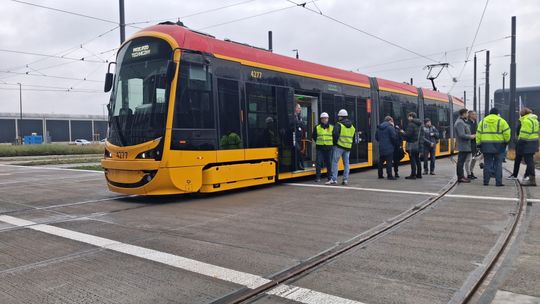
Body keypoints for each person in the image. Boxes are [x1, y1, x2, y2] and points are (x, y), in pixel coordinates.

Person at [476, 108, 511, 186]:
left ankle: (486, 181)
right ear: (497, 113)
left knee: (487, 163)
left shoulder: (482, 121)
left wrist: (478, 144)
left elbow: (478, 134)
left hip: (486, 146)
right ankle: (498, 182)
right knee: (498, 164)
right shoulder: (502, 121)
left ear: (489, 113)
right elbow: (507, 134)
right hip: (499, 146)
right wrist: (506, 141)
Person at [508, 107, 539, 186]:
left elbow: (525, 133)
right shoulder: (535, 120)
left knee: (529, 161)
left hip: (527, 143)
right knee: (530, 160)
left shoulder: (526, 121)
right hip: (534, 142)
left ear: (522, 114)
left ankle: (532, 179)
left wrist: (519, 142)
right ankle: (529, 177)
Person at [326, 109, 356, 185]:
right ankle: (345, 180)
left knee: (334, 162)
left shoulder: (339, 124)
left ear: (341, 117)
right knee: (346, 164)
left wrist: (335, 144)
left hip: (339, 146)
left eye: (339, 116)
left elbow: (335, 135)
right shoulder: (352, 126)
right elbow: (353, 137)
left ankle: (334, 179)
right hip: (348, 147)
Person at [454, 108, 475, 183]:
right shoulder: (460, 122)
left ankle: (462, 176)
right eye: (466, 113)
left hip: (465, 146)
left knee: (461, 162)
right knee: (460, 162)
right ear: (463, 114)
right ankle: (460, 177)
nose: (467, 115)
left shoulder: (462, 121)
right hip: (463, 146)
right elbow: (461, 134)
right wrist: (471, 136)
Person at [401, 112, 423, 179]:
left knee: (412, 160)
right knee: (417, 159)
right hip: (418, 144)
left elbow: (408, 135)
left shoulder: (411, 124)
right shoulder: (420, 124)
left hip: (411, 144)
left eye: (409, 116)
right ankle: (419, 174)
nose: (408, 118)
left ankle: (413, 175)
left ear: (411, 117)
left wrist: (402, 132)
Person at [312, 112, 334, 182]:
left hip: (329, 147)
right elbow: (314, 136)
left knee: (329, 163)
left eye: (326, 118)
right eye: (323, 118)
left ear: (328, 119)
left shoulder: (332, 127)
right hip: (320, 148)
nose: (324, 119)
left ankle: (329, 177)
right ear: (321, 119)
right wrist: (319, 142)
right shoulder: (317, 127)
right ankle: (318, 177)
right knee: (318, 162)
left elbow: (335, 136)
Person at [464, 111, 481, 179]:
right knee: (468, 159)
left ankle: (471, 171)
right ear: (470, 115)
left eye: (475, 114)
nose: (475, 115)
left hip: (474, 144)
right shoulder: (467, 123)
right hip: (469, 143)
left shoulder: (475, 123)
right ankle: (468, 174)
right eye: (474, 114)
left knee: (474, 159)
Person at [293, 103, 305, 170]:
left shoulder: (299, 116)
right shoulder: (293, 115)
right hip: (294, 137)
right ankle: (298, 165)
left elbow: (303, 125)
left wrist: (299, 123)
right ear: (295, 108)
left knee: (299, 151)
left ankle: (301, 165)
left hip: (299, 138)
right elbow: (295, 122)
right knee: (297, 150)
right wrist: (299, 123)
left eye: (300, 108)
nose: (300, 109)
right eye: (298, 108)